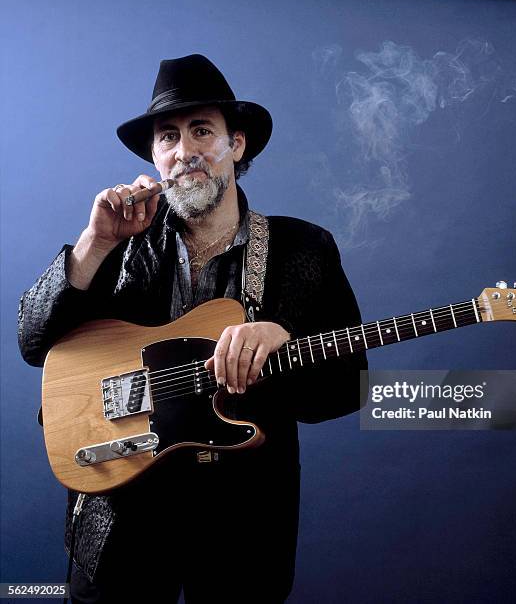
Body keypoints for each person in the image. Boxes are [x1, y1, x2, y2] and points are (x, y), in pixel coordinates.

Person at [17, 54, 368, 603]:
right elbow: (32, 341)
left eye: (202, 130)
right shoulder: (119, 241)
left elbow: (346, 388)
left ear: (237, 145)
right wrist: (94, 243)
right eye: (168, 137)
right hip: (120, 508)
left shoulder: (305, 250)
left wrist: (286, 344)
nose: (185, 152)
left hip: (244, 524)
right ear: (155, 157)